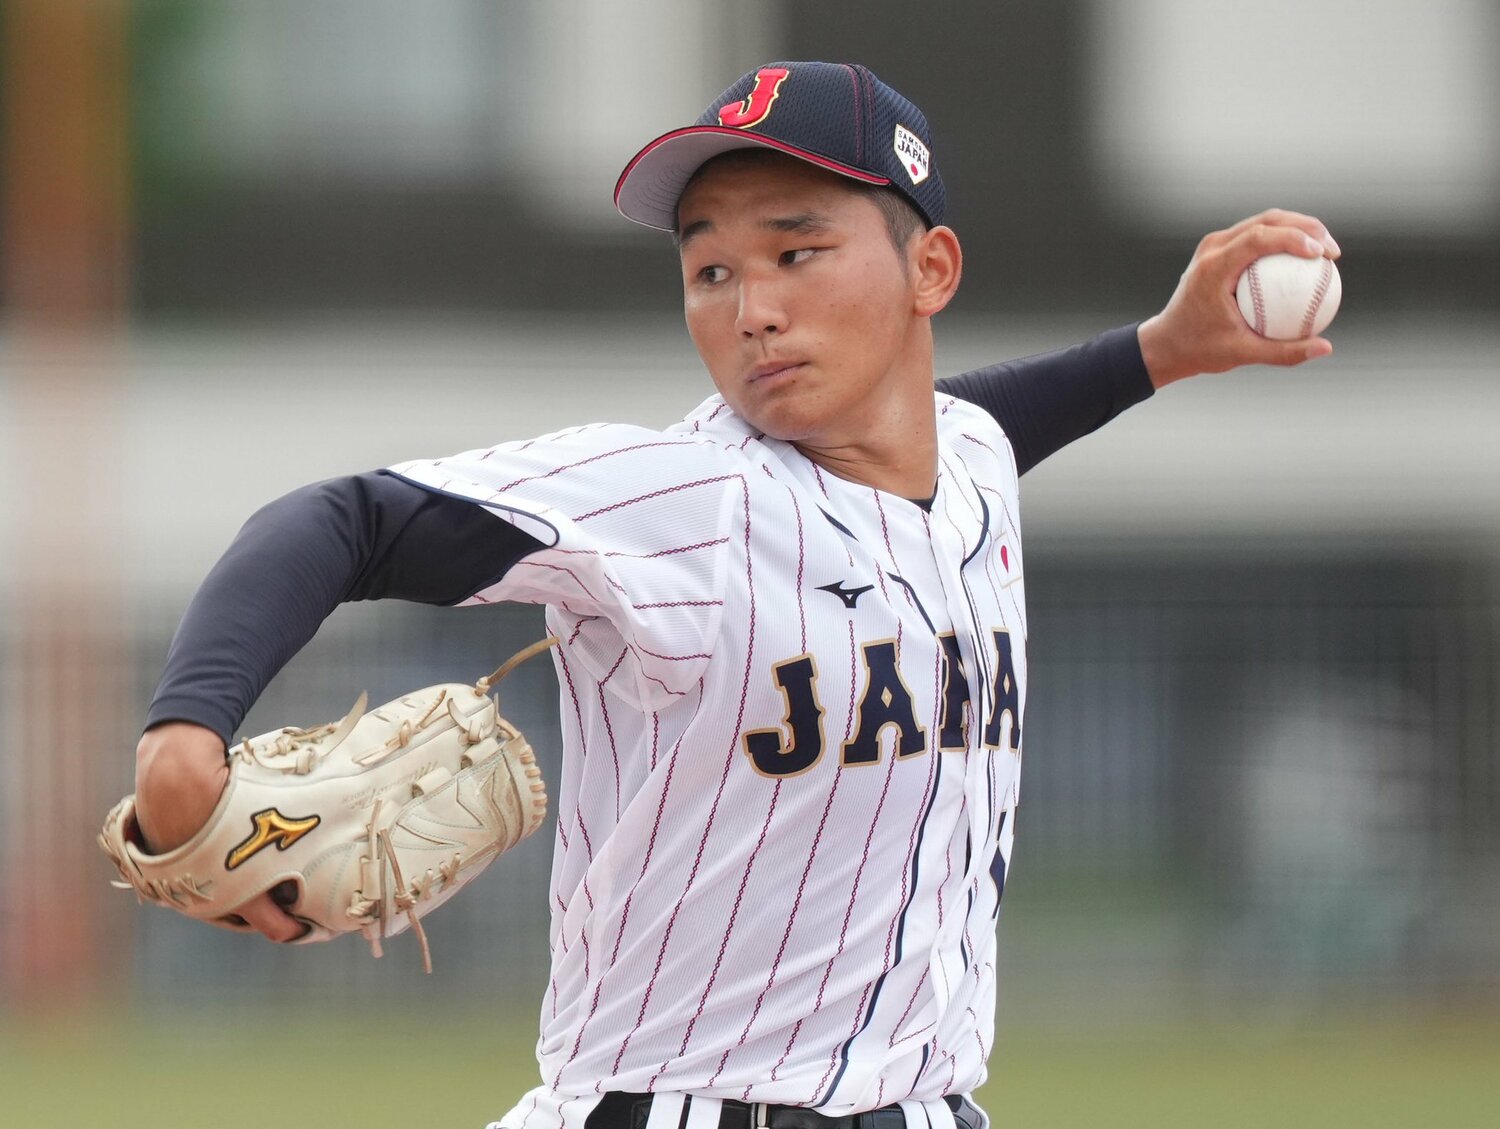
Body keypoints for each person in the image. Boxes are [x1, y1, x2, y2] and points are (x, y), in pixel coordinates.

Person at [132, 62, 1339, 1129]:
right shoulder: (685, 499)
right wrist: (186, 733)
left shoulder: (962, 458)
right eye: (710, 266)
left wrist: (1164, 349)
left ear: (933, 268)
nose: (751, 305)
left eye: (796, 250)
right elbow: (342, 520)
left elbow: (982, 421)